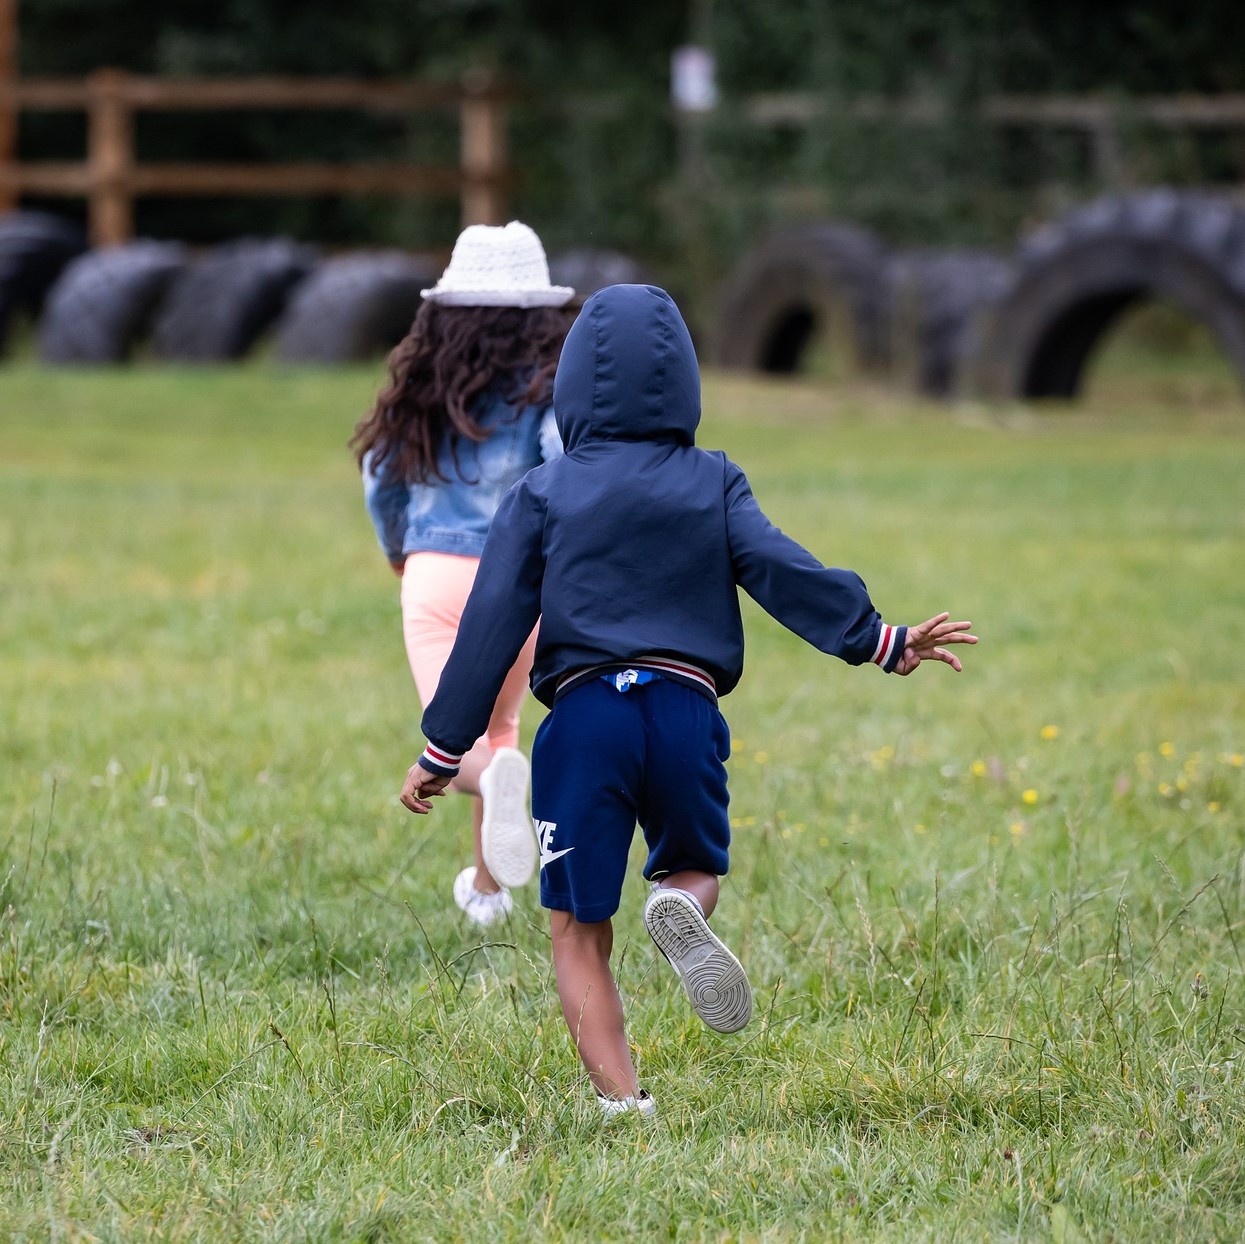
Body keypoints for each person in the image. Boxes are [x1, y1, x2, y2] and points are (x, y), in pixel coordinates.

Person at [397, 284, 977, 1115]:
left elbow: (489, 627)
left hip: (585, 721)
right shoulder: (712, 480)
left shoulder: (543, 492)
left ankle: (623, 1105)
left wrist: (443, 748)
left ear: (570, 387)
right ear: (683, 383)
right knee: (694, 862)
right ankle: (677, 905)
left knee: (576, 930)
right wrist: (878, 639)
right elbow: (781, 569)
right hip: (682, 710)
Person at [352, 221, 575, 926]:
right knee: (499, 729)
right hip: (521, 585)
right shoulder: (548, 385)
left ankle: (494, 827)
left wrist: (398, 548)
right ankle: (486, 893)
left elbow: (379, 473)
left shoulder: (424, 380)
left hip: (436, 574)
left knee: (464, 746)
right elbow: (562, 462)